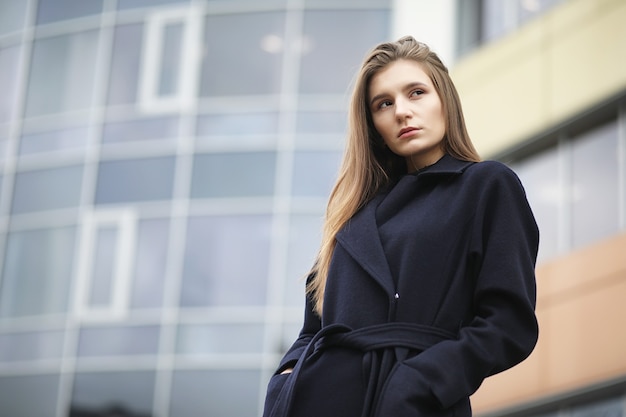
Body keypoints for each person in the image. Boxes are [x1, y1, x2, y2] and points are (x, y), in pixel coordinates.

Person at [263, 36, 539, 417]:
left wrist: (420, 382)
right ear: (373, 124)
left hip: (408, 401)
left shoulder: (485, 186)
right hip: (318, 400)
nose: (402, 112)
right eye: (384, 103)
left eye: (416, 93)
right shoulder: (351, 215)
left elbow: (508, 324)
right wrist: (285, 380)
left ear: (445, 99)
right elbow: (313, 327)